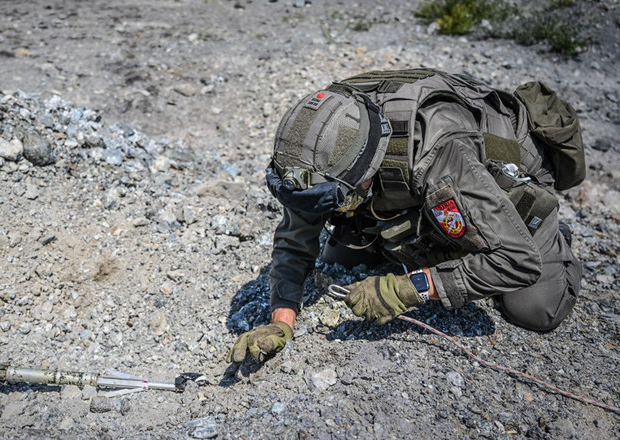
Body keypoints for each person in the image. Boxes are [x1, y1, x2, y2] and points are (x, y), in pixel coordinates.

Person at [228, 69, 585, 363]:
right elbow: (295, 241)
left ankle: (551, 236)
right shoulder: (318, 146)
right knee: (342, 256)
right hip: (427, 181)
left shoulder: (437, 153)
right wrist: (281, 321)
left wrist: (408, 289)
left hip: (504, 185)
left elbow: (517, 261)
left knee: (533, 309)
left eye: (334, 200)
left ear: (364, 176)